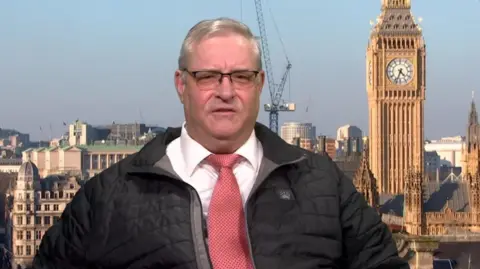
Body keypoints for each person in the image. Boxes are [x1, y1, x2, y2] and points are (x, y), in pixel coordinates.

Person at [32, 17, 408, 269]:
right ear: (182, 85)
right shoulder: (108, 196)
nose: (226, 91)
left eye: (241, 77)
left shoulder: (325, 185)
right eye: (209, 76)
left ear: (260, 85)